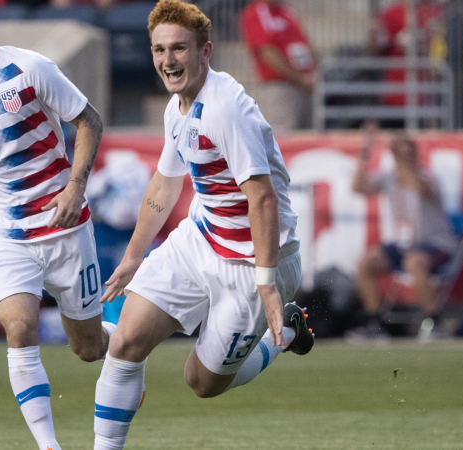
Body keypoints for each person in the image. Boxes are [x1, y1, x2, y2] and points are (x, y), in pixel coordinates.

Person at [91, 2, 313, 449]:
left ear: (205, 51)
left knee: (202, 382)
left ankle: (286, 331)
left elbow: (263, 200)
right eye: (158, 49)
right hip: (201, 240)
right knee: (126, 342)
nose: (167, 60)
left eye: (178, 48)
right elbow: (164, 183)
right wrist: (135, 255)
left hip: (254, 264)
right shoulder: (179, 107)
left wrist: (267, 285)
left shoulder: (226, 109)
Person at [0, 1, 114, 449]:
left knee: (87, 347)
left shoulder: (30, 68)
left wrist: (75, 188)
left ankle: (125, 349)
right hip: (5, 233)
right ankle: (49, 446)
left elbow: (89, 122)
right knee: (19, 327)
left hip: (64, 224)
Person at [350, 121, 456, 339]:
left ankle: (434, 321)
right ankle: (374, 322)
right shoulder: (389, 178)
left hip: (434, 243)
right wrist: (366, 152)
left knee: (414, 262)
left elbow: (420, 189)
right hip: (404, 243)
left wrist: (404, 162)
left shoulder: (428, 176)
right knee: (365, 262)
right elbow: (358, 188)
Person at [240, 0, 316, 132]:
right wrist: (299, 77)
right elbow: (266, 52)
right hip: (279, 86)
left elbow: (304, 44)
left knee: (308, 138)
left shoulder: (287, 12)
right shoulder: (256, 12)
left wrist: (311, 73)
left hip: (304, 86)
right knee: (282, 137)